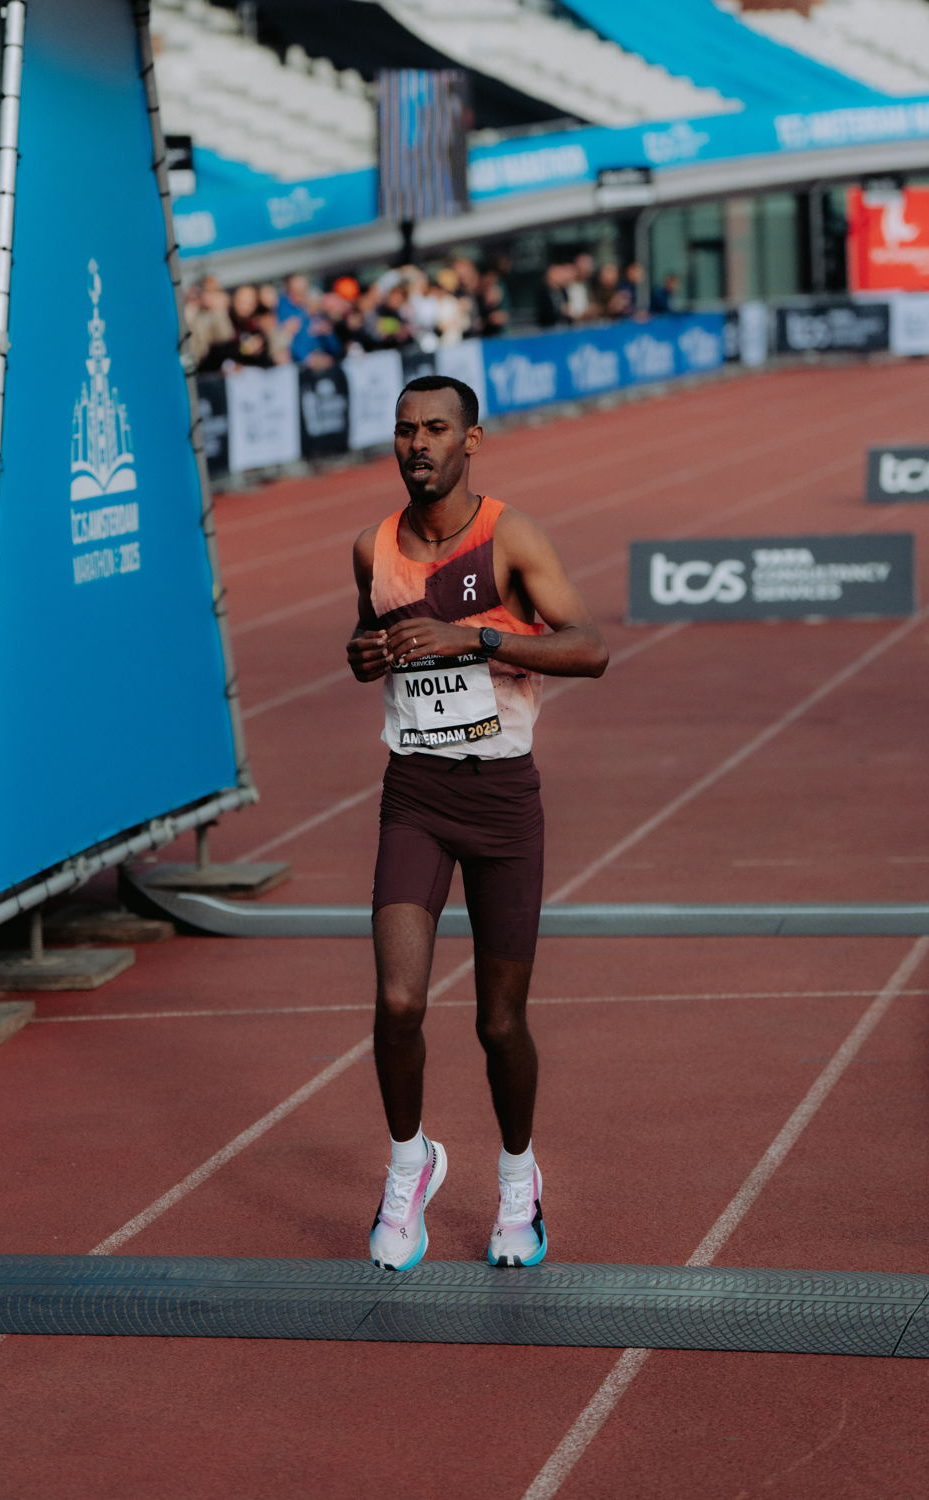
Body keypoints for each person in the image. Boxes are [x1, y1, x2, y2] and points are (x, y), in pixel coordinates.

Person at [346, 375, 607, 1273]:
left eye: (435, 428)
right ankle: (409, 1164)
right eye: (404, 430)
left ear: (472, 440)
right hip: (415, 796)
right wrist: (364, 654)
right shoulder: (372, 546)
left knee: (500, 1025)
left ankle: (517, 1180)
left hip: (502, 803)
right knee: (398, 1001)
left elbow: (590, 648)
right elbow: (370, 642)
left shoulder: (511, 536)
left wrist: (479, 638)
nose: (417, 444)